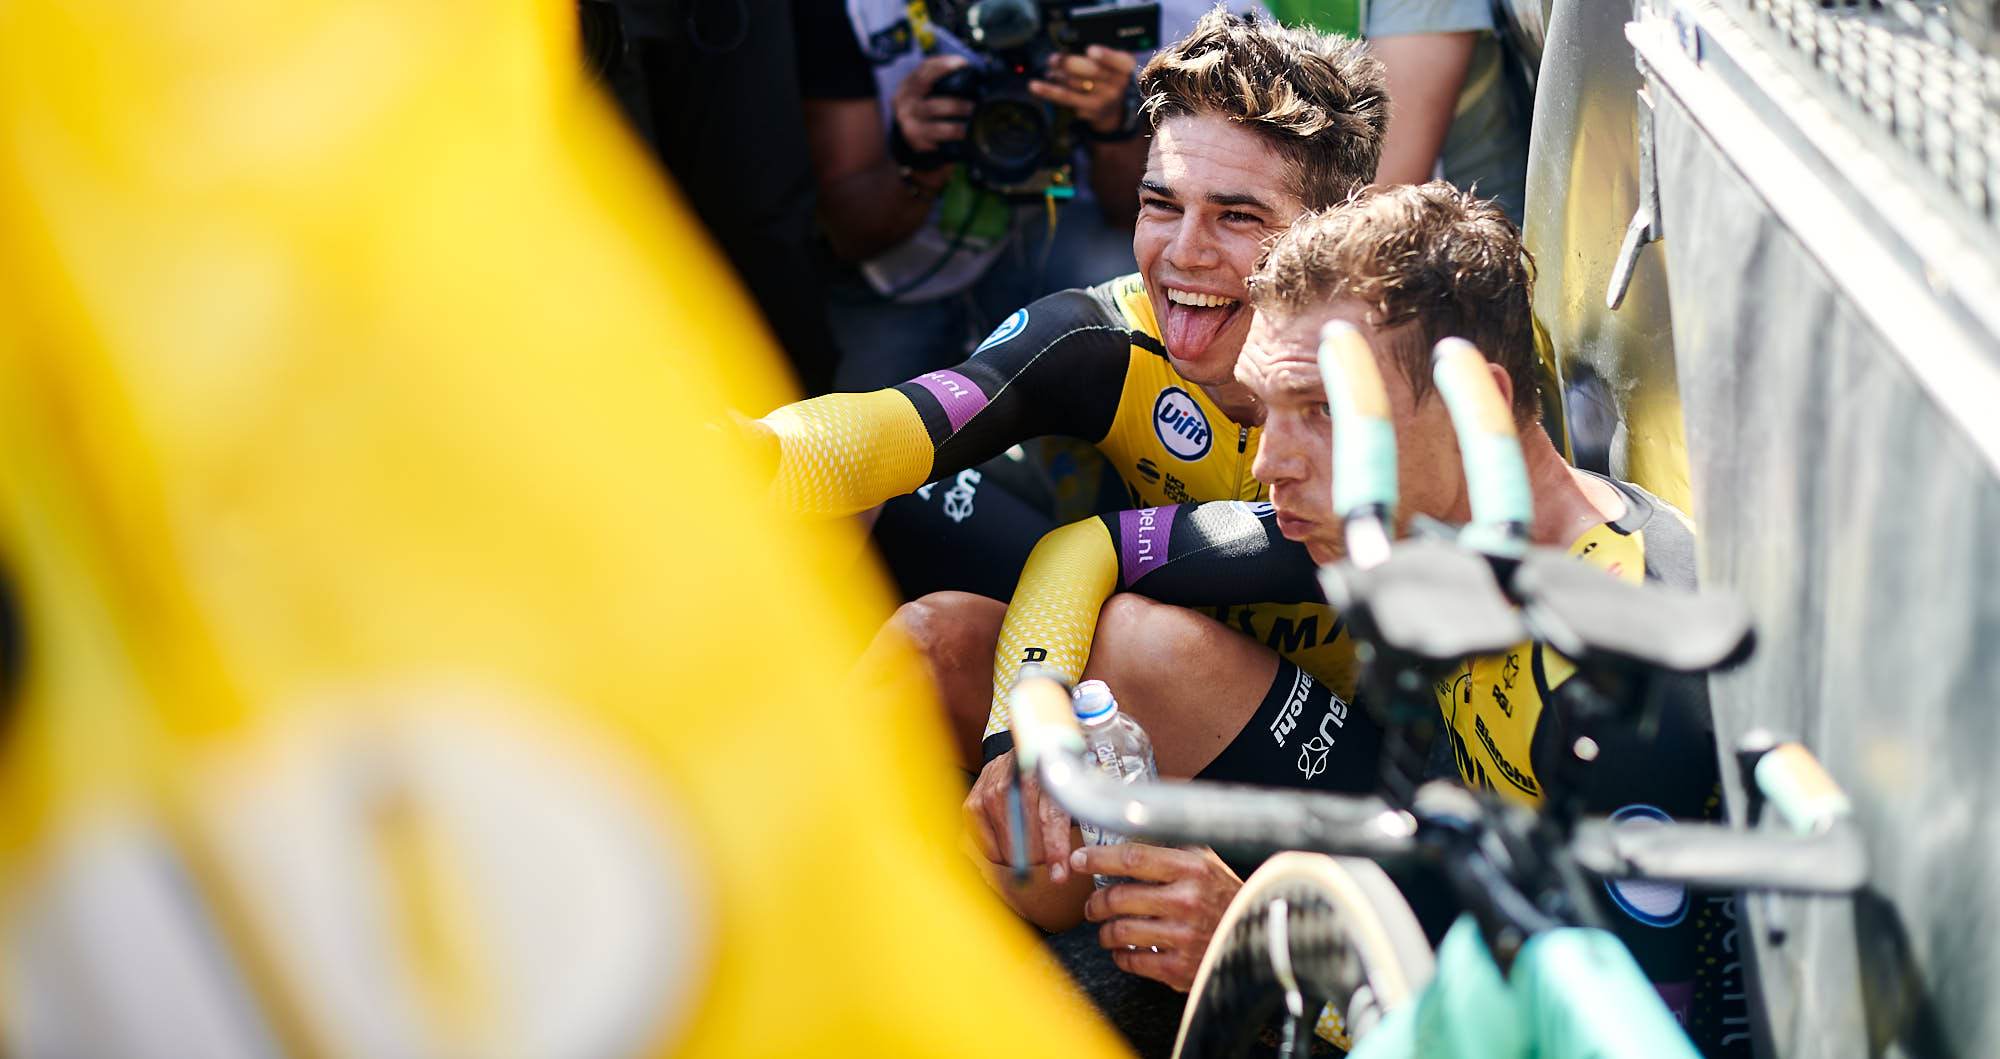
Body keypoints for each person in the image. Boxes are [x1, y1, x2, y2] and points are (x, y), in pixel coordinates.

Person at [1006, 183, 1744, 1054]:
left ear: (1474, 405)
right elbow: (1091, 547)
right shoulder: (1410, 520)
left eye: (1322, 411)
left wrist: (1288, 957)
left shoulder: (1623, 674)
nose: (1268, 466)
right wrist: (1024, 721)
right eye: (1266, 411)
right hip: (1462, 902)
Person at [748, 9, 1389, 761]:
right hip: (1145, 645)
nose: (1184, 254)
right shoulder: (1108, 330)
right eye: (1162, 204)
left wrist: (1022, 731)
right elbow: (901, 422)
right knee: (918, 603)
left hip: (1351, 753)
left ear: (1331, 233)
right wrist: (749, 446)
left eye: (1237, 217)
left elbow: (1100, 558)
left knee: (1137, 635)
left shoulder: (1387, 383)